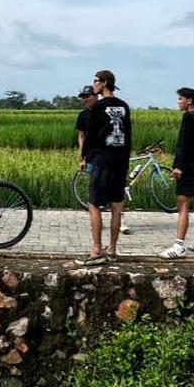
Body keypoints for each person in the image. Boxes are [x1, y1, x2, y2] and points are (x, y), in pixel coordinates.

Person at [76, 69, 132, 265]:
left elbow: (90, 136)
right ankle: (113, 249)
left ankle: (97, 249)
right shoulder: (124, 106)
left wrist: (83, 156)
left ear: (105, 83)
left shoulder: (98, 107)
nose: (93, 85)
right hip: (120, 161)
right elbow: (128, 136)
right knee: (116, 205)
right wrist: (125, 161)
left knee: (94, 204)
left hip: (102, 160)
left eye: (96, 81)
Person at [159, 87, 194, 259]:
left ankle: (179, 246)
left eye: (181, 99)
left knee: (183, 205)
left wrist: (178, 166)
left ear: (189, 101)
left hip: (188, 168)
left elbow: (183, 144)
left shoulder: (188, 117)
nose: (178, 102)